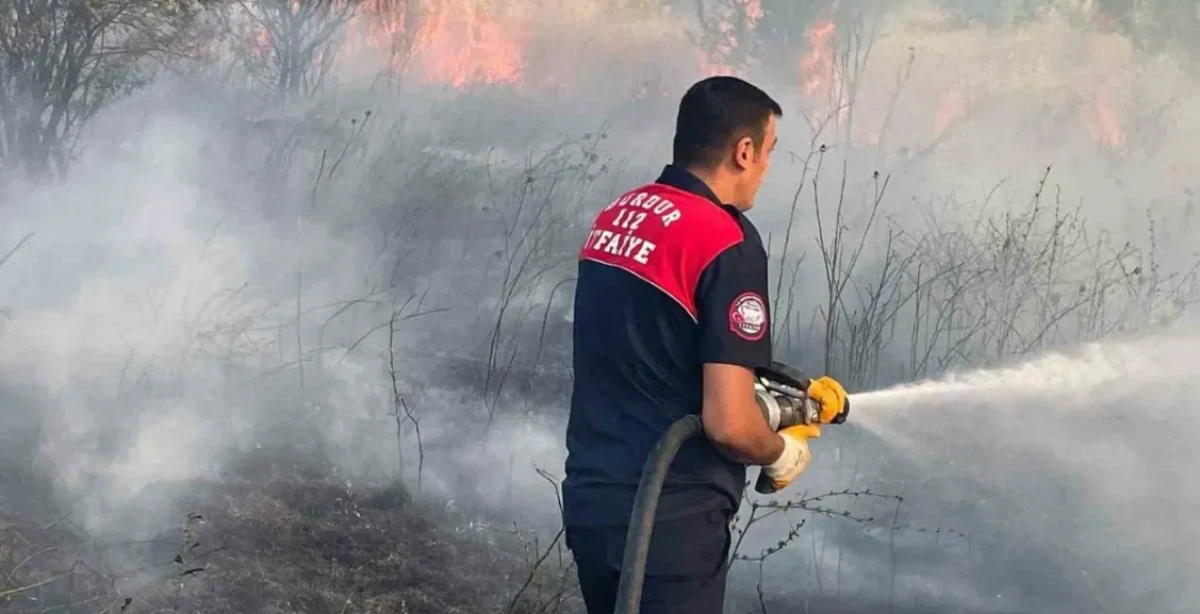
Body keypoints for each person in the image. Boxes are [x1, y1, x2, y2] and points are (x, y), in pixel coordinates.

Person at [561, 75, 849, 614]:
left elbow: (657, 350)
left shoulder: (620, 215)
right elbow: (728, 424)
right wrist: (780, 449)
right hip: (668, 520)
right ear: (743, 151)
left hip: (592, 499)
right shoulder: (726, 240)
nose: (766, 169)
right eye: (769, 152)